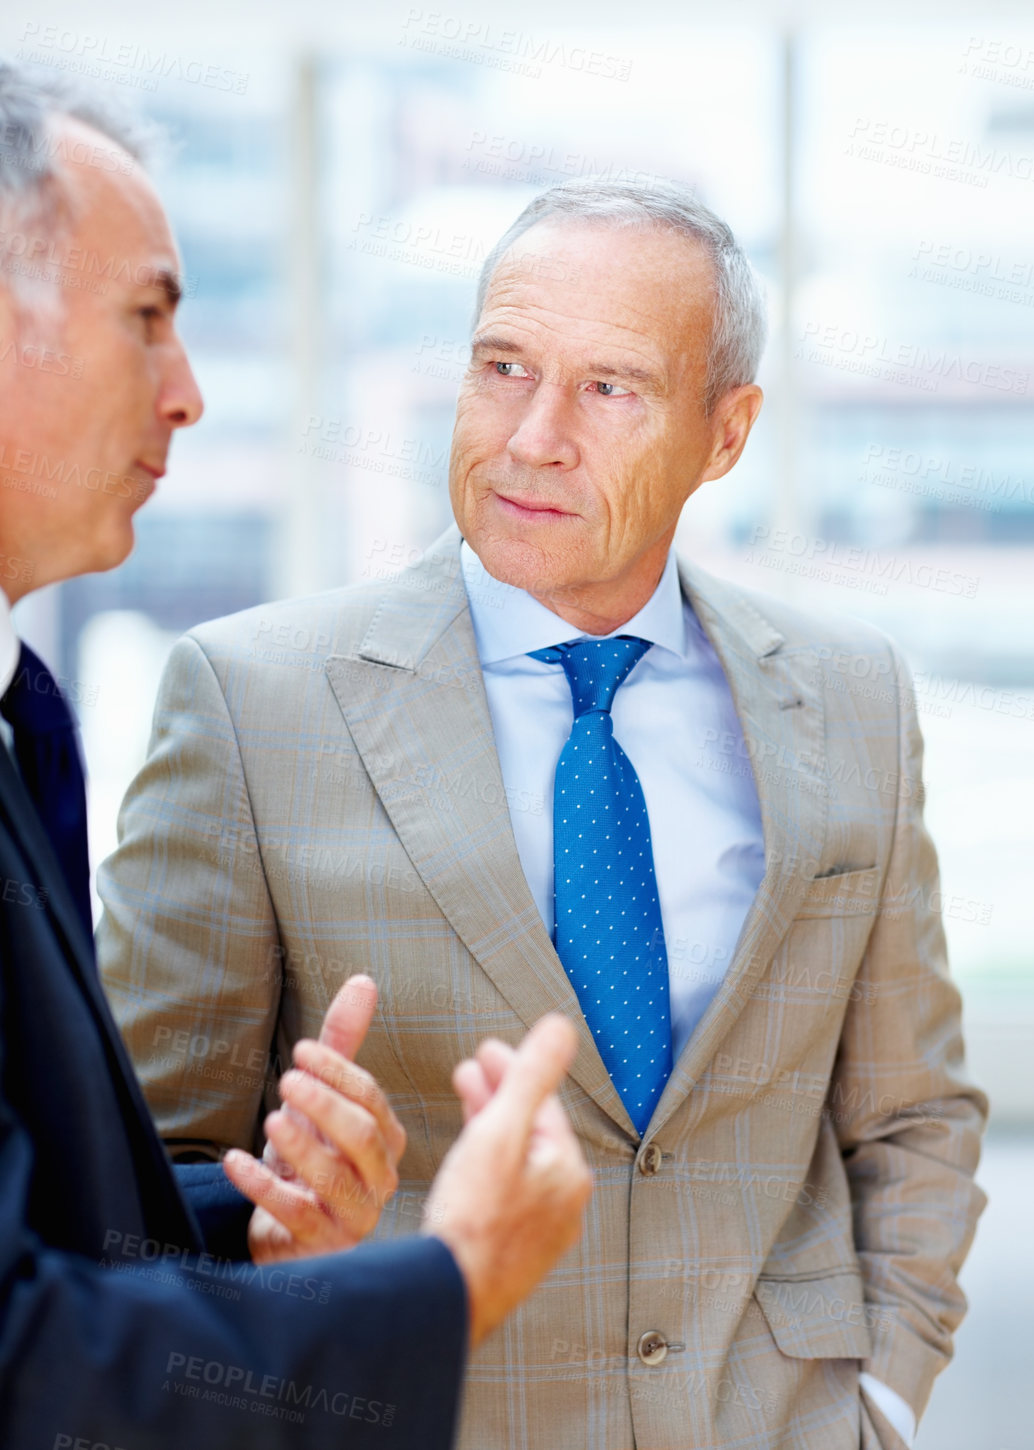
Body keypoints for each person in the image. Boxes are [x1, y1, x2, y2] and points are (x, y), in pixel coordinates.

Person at [101, 176, 988, 1449]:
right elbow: (141, 1174)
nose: (532, 435)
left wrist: (883, 1401)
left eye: (608, 388)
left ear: (724, 433)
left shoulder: (848, 697)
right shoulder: (255, 704)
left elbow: (911, 1112)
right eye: (503, 365)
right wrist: (279, 1241)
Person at [0, 61, 591, 1449]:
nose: (189, 393)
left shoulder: (24, 718)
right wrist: (445, 1282)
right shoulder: (232, 697)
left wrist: (249, 1217)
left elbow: (46, 1212)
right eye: (146, 318)